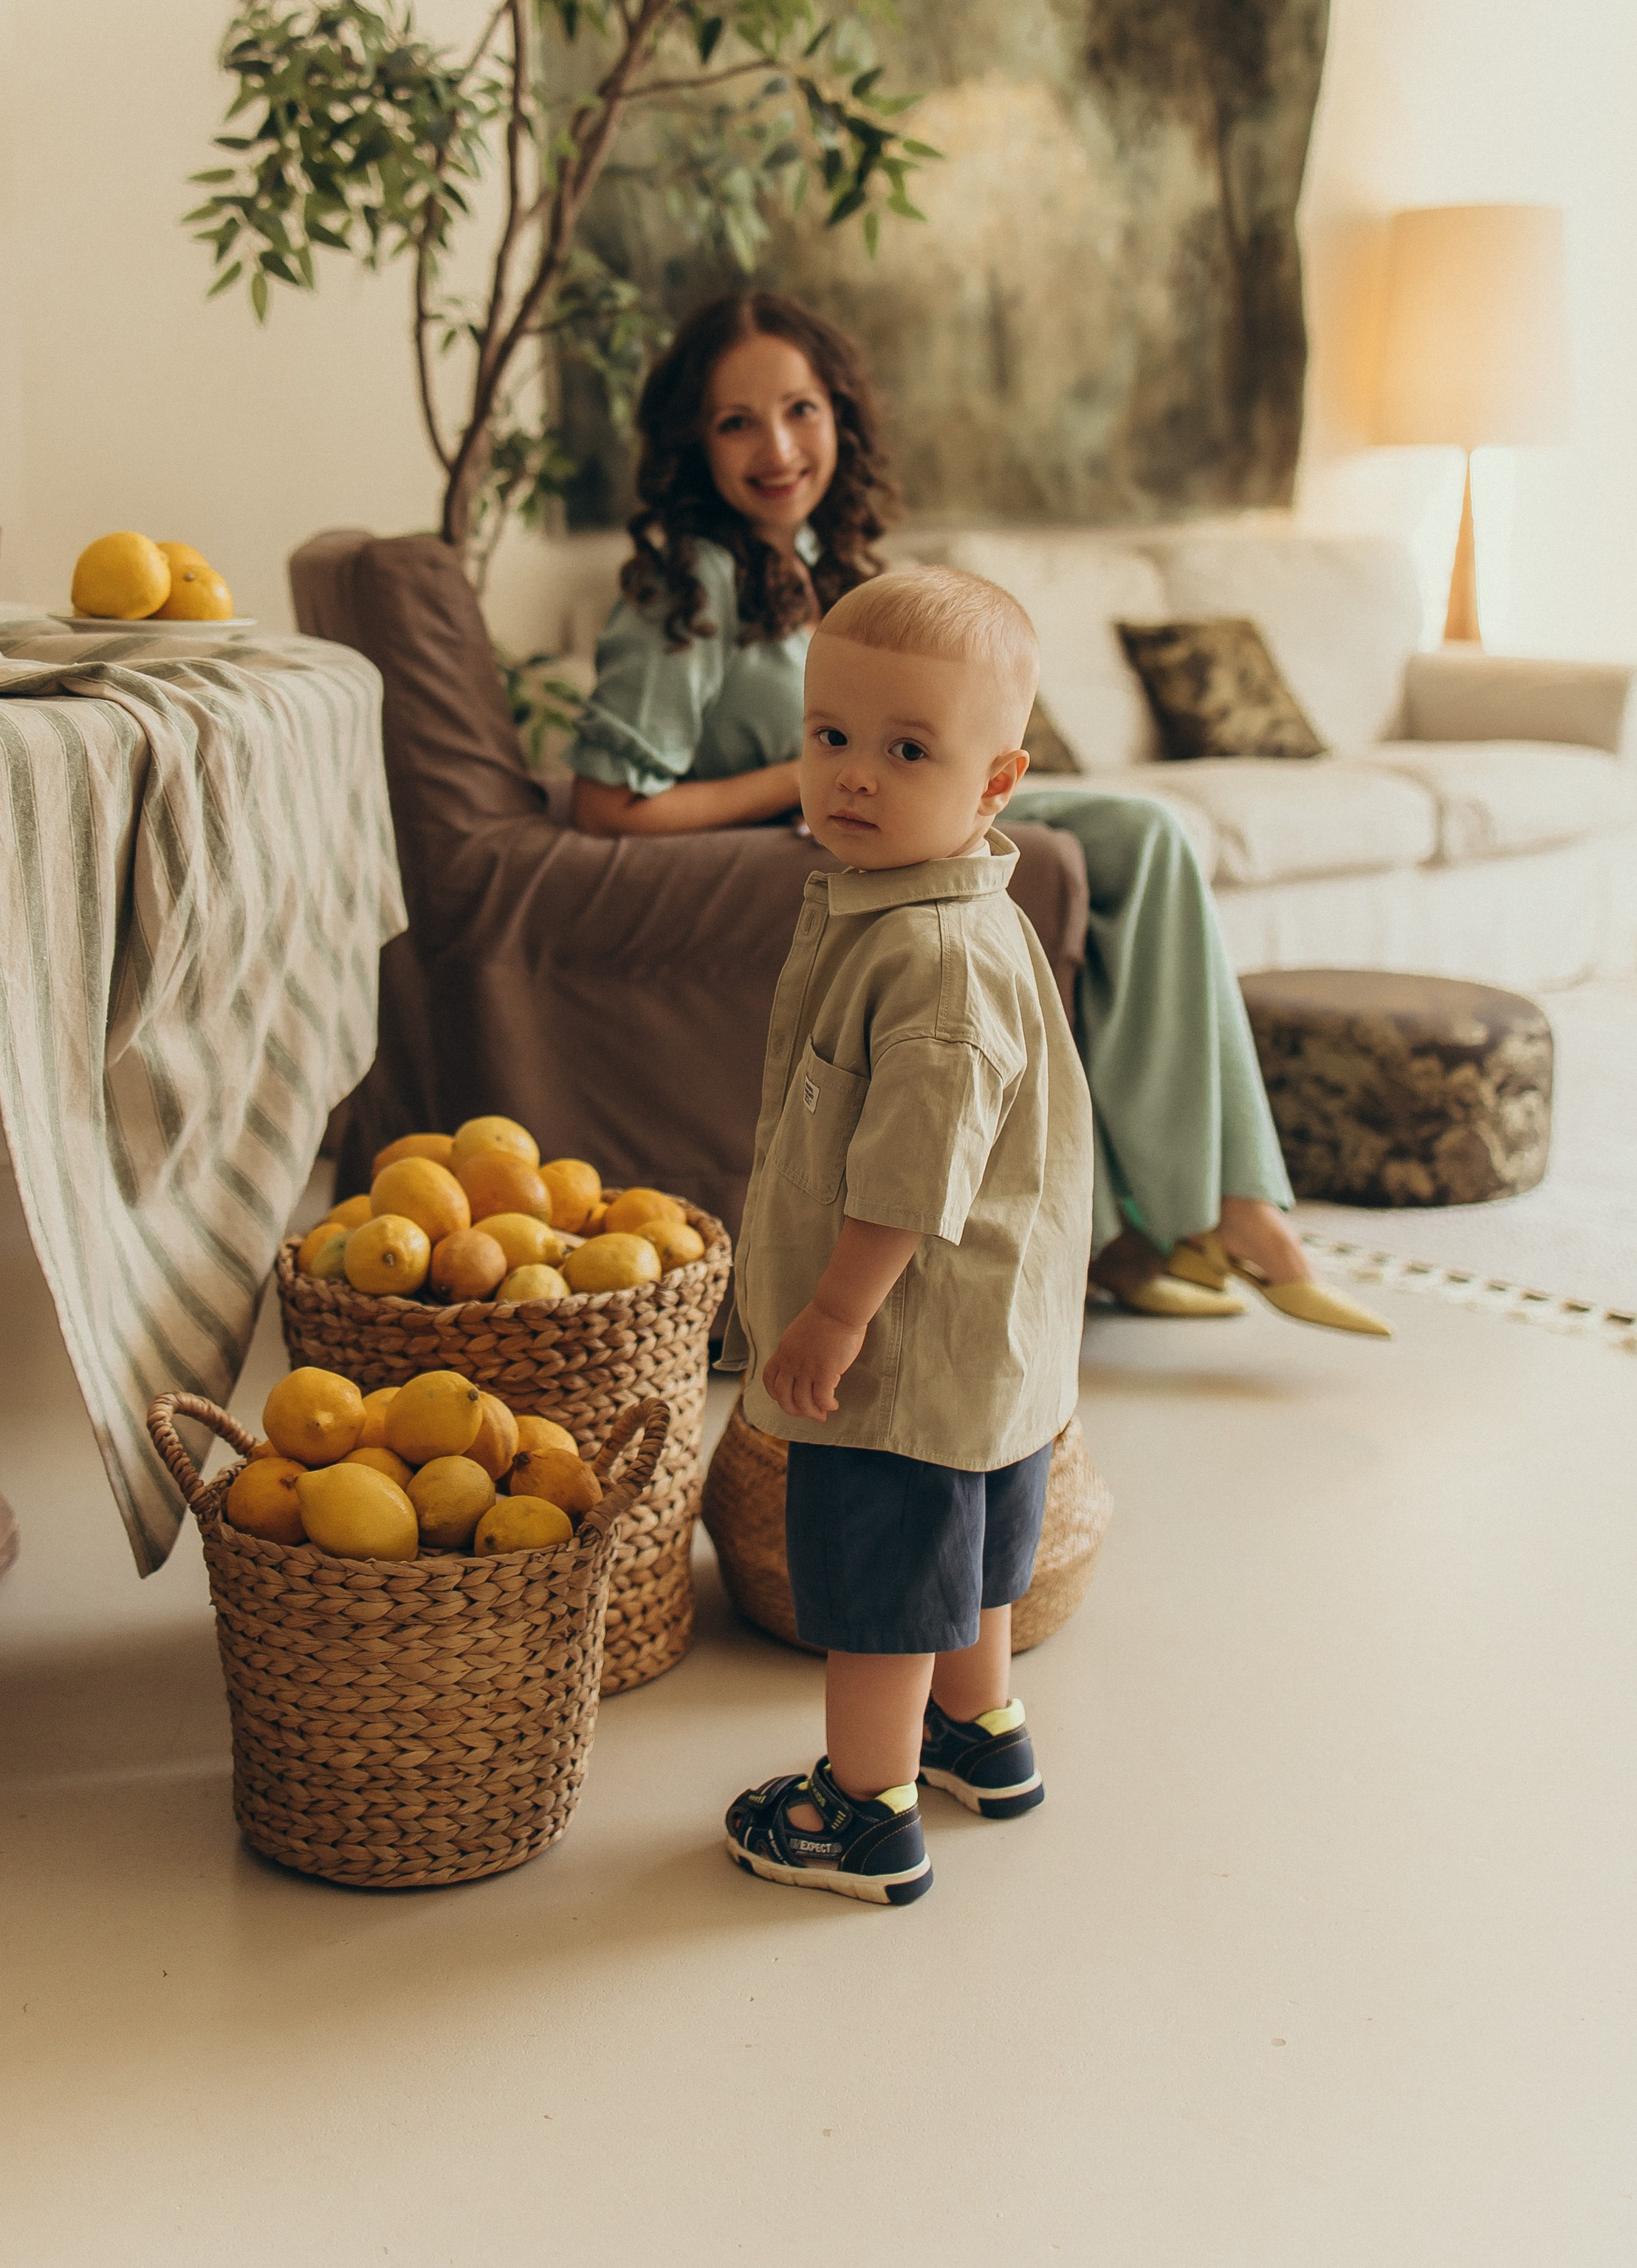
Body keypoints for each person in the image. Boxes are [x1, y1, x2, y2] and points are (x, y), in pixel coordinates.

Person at [568, 289, 1386, 1335]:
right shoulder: (689, 582)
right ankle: (1215, 1213)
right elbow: (609, 806)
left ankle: (1180, 1219)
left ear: (840, 416)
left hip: (920, 804)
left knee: (1146, 840)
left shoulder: (826, 558)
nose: (776, 446)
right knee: (1138, 839)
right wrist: (799, 773)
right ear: (696, 443)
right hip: (837, 835)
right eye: (737, 422)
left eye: (800, 410)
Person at [721, 565, 1091, 1905]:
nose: (854, 777)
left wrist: (833, 1315)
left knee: (884, 1574)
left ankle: (865, 1809)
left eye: (908, 750)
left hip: (902, 1340)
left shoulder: (932, 959)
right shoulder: (920, 913)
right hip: (986, 1353)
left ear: (997, 783)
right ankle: (979, 1735)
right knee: (979, 1546)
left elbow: (910, 1174)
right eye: (831, 738)